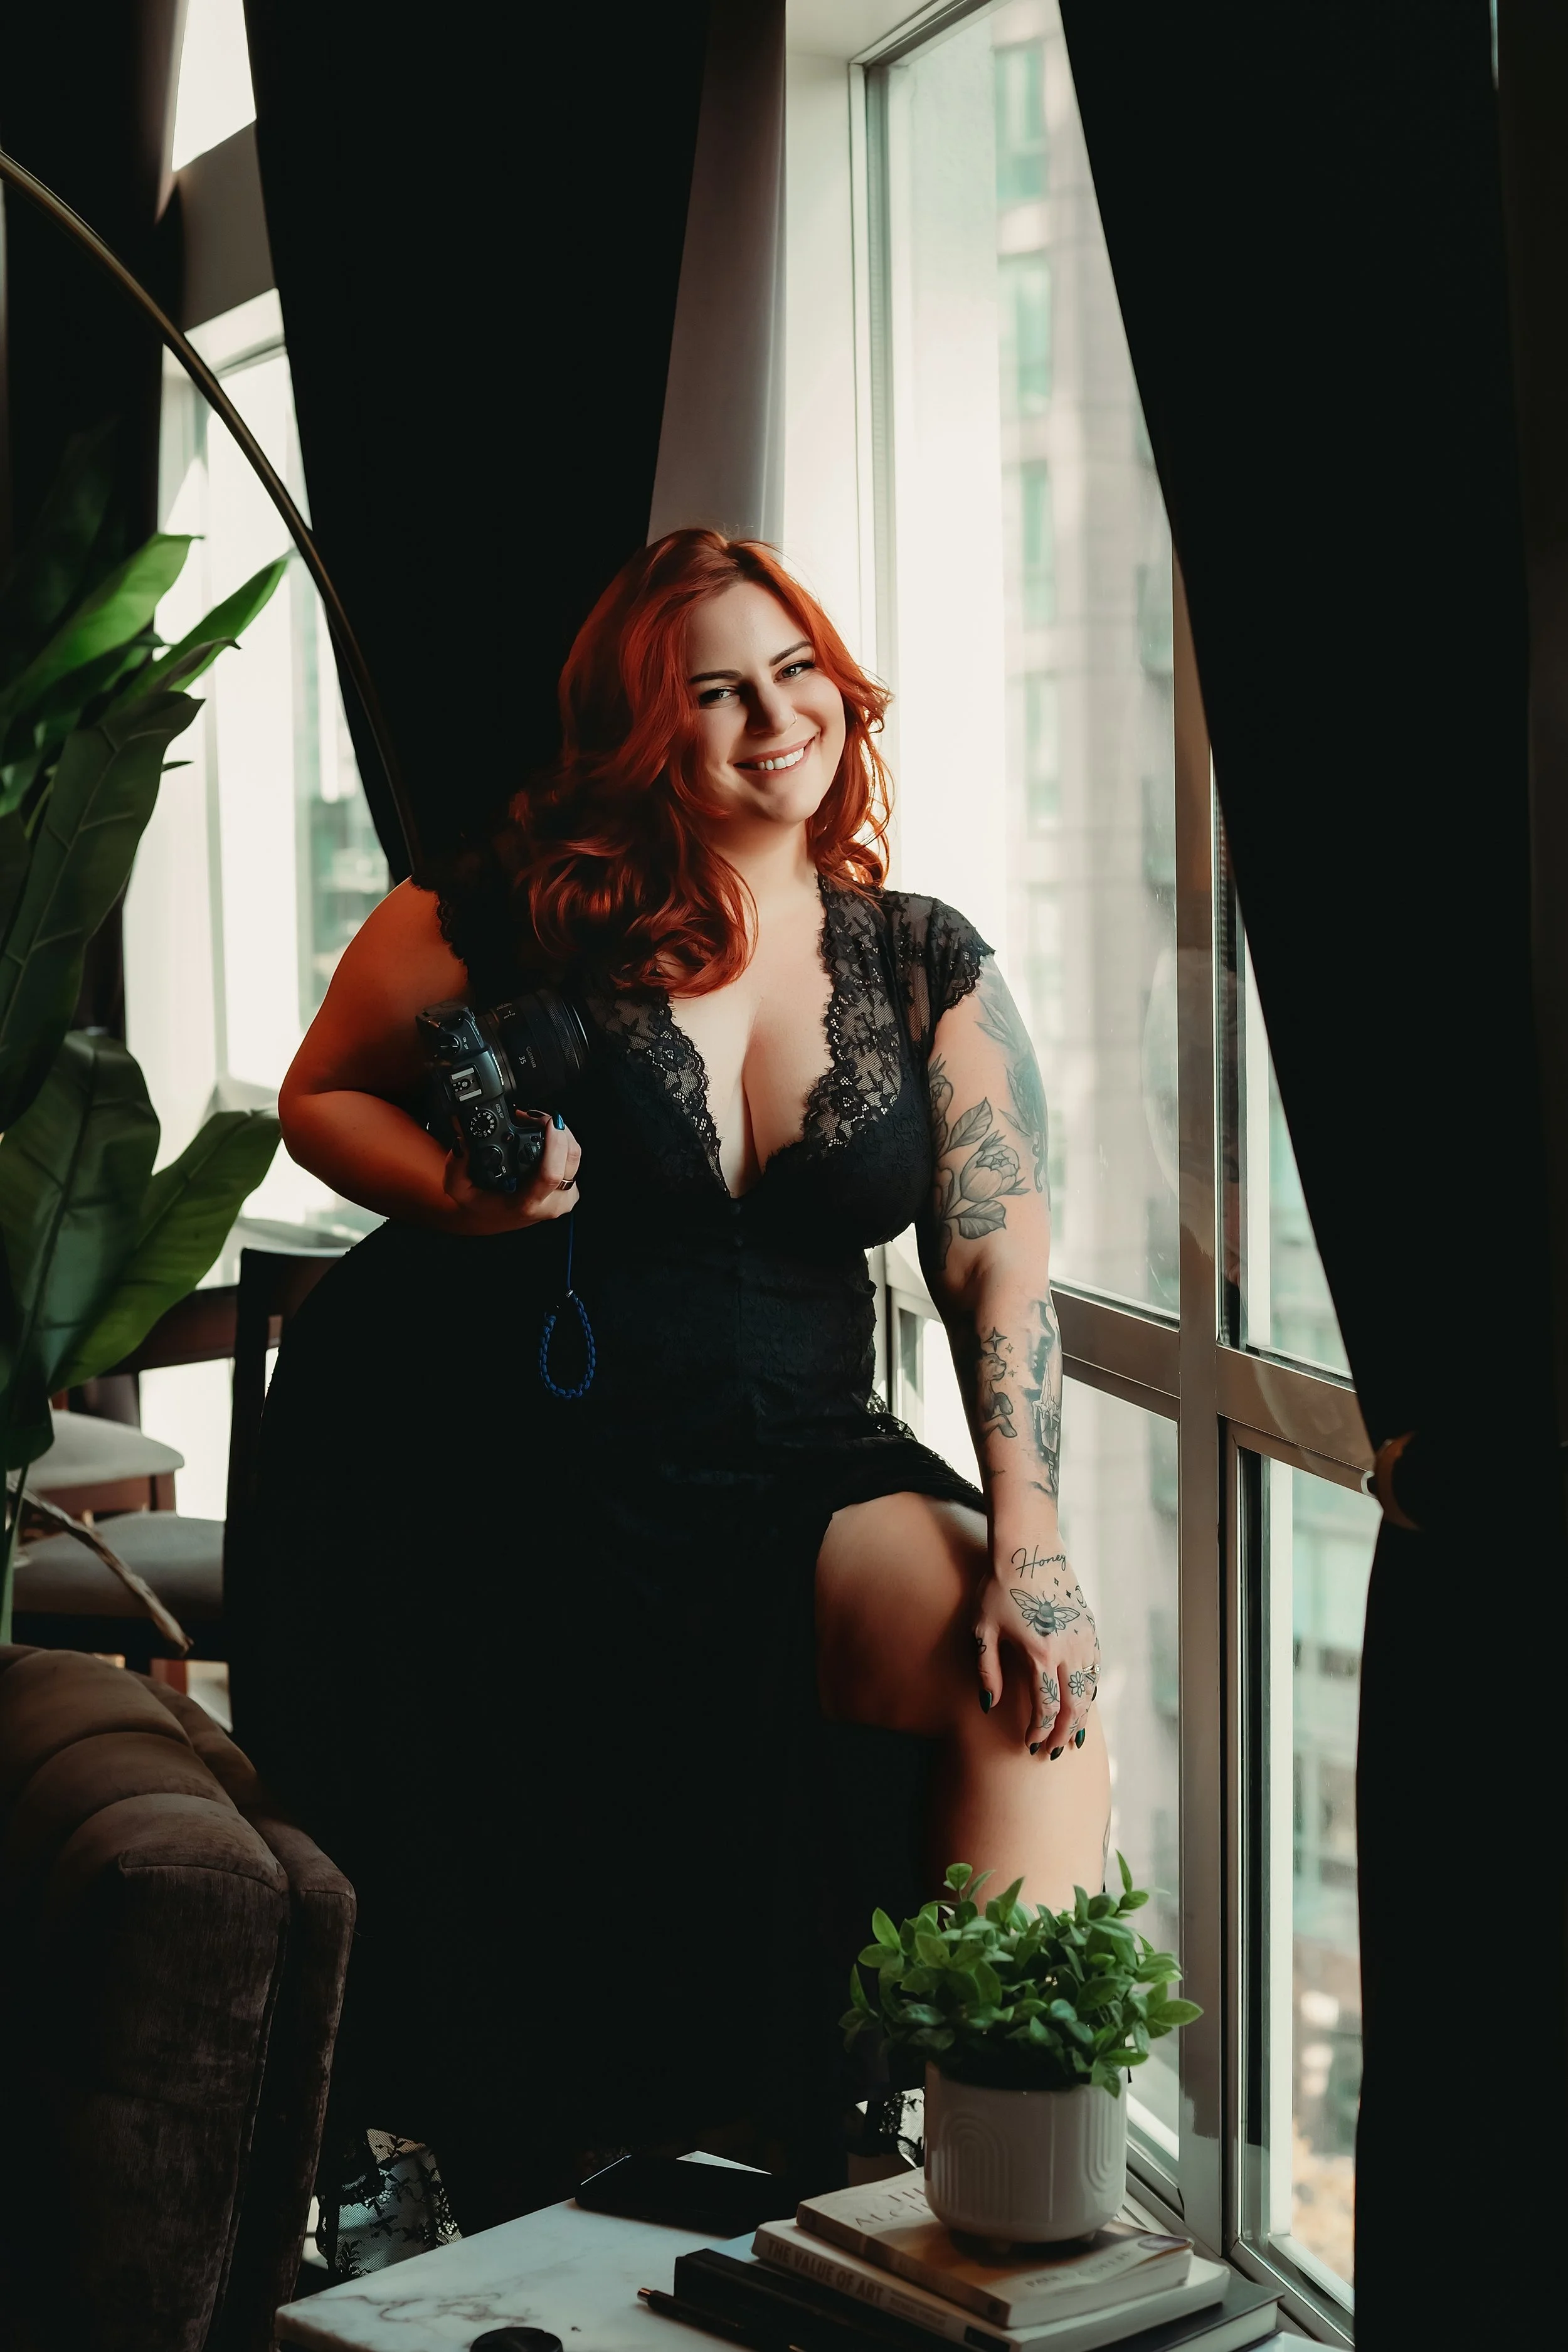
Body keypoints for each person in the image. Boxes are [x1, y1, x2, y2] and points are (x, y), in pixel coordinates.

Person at [245, 528, 1109, 2217]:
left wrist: (1034, 1538)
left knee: (1027, 1693)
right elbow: (320, 1092)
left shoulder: (919, 954)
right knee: (541, 1939)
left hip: (797, 1456)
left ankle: (1012, 2208)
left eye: (796, 673)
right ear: (644, 734)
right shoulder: (507, 910)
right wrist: (466, 1195)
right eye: (717, 692)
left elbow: (994, 1257)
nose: (775, 719)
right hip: (508, 1463)